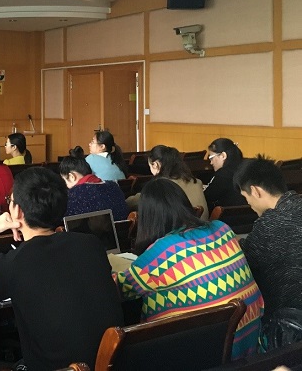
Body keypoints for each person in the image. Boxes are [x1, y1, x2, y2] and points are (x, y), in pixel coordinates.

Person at [0, 167, 124, 371]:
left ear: (17, 211)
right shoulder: (90, 244)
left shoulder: (14, 263)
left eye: (10, 200)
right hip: (110, 364)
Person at [114, 178, 264, 360]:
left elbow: (119, 290)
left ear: (148, 217)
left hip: (209, 355)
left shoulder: (163, 251)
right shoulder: (222, 228)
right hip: (250, 346)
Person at [234, 156, 302, 349]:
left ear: (255, 191)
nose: (249, 204)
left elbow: (244, 263)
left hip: (286, 332)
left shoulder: (270, 225)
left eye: (246, 198)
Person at [125, 145, 209, 219]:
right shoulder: (197, 182)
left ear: (155, 165)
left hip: (181, 230)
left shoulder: (161, 185)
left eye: (149, 166)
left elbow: (131, 203)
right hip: (203, 228)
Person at [59, 155, 128, 220]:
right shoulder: (114, 186)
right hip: (123, 228)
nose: (66, 186)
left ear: (72, 176)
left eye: (65, 181)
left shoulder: (75, 194)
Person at [204, 138, 246, 210]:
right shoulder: (246, 168)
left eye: (211, 158)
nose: (211, 163)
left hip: (229, 215)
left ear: (223, 155)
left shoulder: (223, 175)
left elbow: (207, 197)